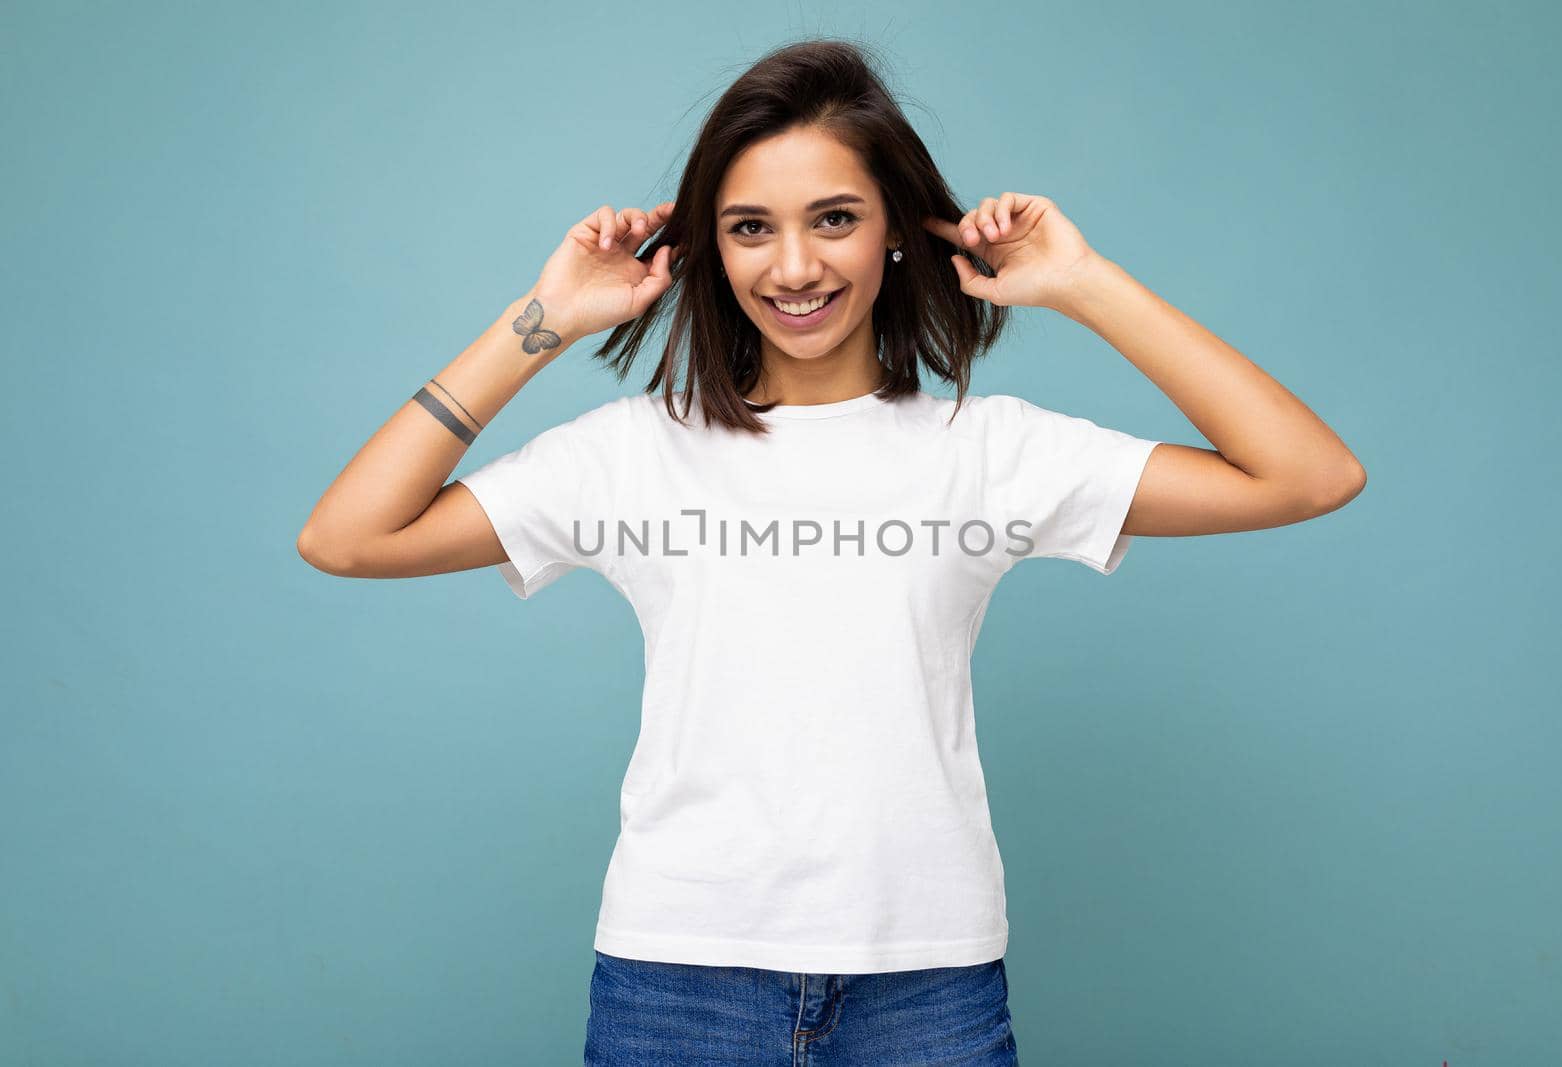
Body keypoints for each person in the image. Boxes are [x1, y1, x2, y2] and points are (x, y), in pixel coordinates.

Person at [296, 37, 1365, 1067]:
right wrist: (545, 317)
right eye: (750, 226)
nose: (794, 265)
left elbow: (1308, 475)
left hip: (926, 985)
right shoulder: (628, 455)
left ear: (895, 229)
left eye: (835, 219)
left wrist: (1083, 283)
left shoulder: (986, 448)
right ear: (709, 246)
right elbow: (347, 537)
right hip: (678, 980)